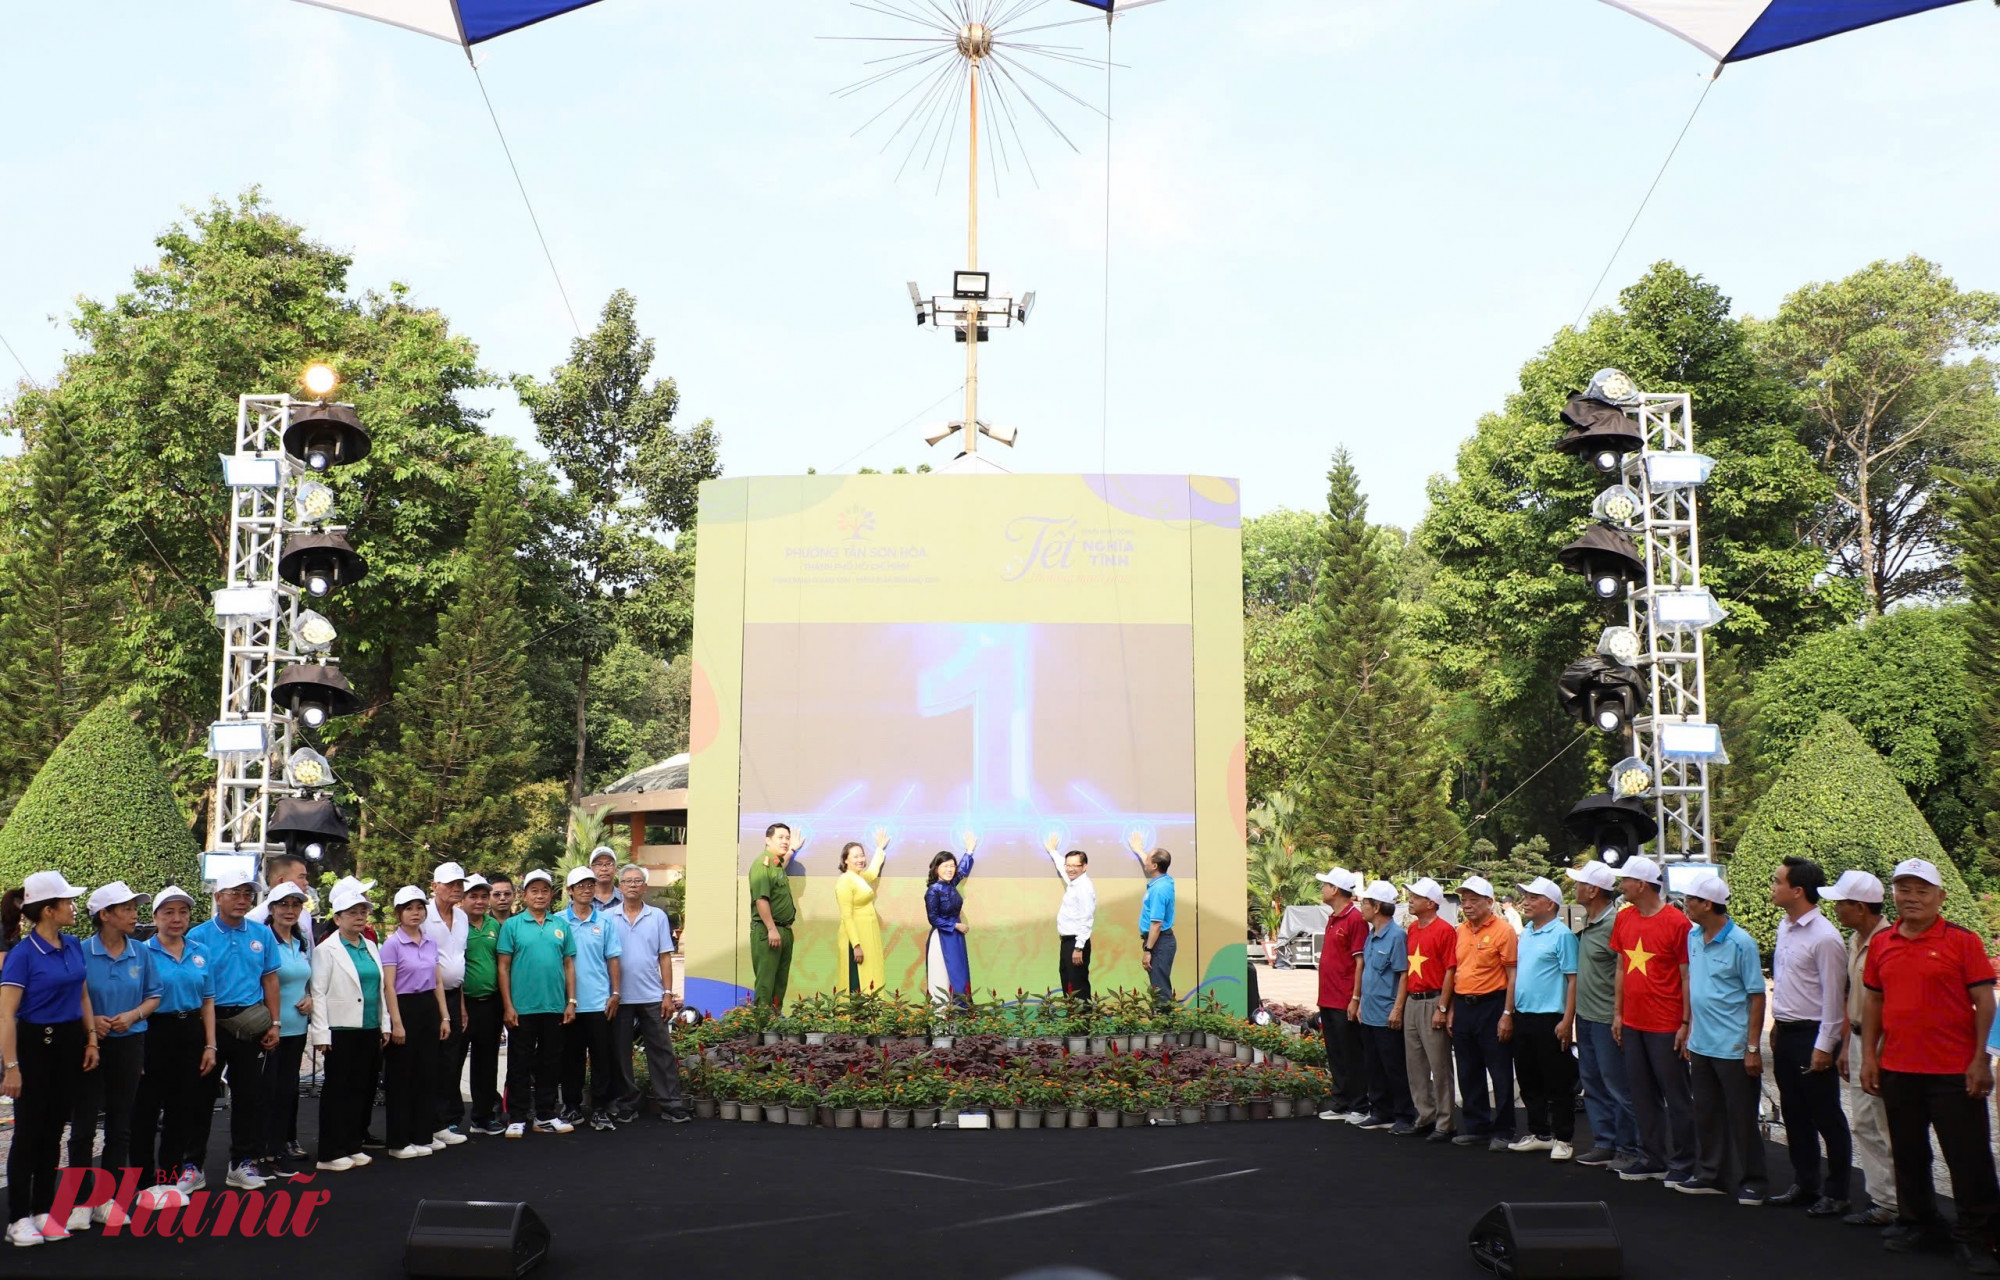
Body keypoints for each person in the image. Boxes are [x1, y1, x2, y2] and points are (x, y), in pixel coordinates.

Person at [1861, 858, 2000, 1273]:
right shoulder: (1883, 942)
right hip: (1899, 1067)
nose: (1912, 898)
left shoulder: (1963, 941)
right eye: (1904, 889)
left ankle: (1980, 1235)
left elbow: (1985, 1002)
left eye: (1922, 890)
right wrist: (1870, 1056)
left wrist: (1982, 1058)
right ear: (1893, 895)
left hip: (1954, 1070)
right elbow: (1873, 1000)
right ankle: (1920, 1223)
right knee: (1907, 1153)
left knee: (1968, 1157)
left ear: (1940, 897)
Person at [1, 873, 96, 1247]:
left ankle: (43, 1209)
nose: (74, 907)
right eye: (67, 902)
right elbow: (6, 1014)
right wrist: (11, 1066)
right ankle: (18, 1217)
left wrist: (91, 1040)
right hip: (34, 1046)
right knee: (28, 1134)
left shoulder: (72, 945)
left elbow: (83, 996)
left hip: (69, 1044)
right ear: (48, 910)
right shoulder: (23, 955)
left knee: (55, 1130)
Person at [60, 882, 161, 1230]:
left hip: (130, 1044)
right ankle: (79, 1202)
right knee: (83, 1127)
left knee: (121, 1125)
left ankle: (110, 1199)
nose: (135, 914)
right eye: (127, 908)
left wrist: (133, 1015)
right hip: (89, 1045)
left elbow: (153, 996)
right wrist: (93, 1023)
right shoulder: (78, 950)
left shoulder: (142, 952)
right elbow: (67, 996)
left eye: (135, 907)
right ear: (104, 915)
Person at [1767, 854, 1854, 1217]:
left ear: (1798, 890)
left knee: (1826, 1114)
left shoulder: (1825, 937)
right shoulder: (1785, 927)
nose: (1772, 887)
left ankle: (1837, 1191)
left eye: (1777, 881)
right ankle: (1805, 1182)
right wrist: (1776, 1029)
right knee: (1794, 1113)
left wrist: (1824, 1046)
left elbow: (1835, 998)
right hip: (1786, 1033)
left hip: (1812, 1035)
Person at [188, 867, 283, 1192]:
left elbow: (270, 980)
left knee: (249, 1099)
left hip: (250, 1024)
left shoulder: (262, 933)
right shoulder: (198, 935)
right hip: (209, 1027)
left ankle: (242, 1163)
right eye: (235, 893)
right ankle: (192, 1165)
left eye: (247, 894)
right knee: (199, 1099)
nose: (242, 900)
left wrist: (275, 1023)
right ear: (218, 897)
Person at [1678, 873, 1768, 1204]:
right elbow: (1694, 984)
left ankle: (1754, 1180)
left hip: (1733, 1046)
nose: (1686, 904)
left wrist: (1752, 1048)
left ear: (1708, 904)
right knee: (1707, 1112)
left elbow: (1757, 996)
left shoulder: (1741, 942)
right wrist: (1688, 1027)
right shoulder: (1692, 936)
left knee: (1742, 1115)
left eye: (1691, 899)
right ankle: (1711, 1174)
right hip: (1701, 1043)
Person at [1610, 855, 1694, 1185]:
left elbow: (1687, 976)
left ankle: (1685, 1161)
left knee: (1675, 1095)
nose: (1622, 885)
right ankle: (1652, 1157)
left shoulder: (1677, 923)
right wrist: (1618, 1013)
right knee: (1642, 1093)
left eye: (1626, 880)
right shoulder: (1624, 918)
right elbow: (1620, 967)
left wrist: (1685, 1023)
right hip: (1633, 1022)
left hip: (1666, 1024)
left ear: (1642, 885)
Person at [1822, 869, 1899, 1228]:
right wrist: (1845, 1044)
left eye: (1842, 902)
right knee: (1866, 1122)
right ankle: (1884, 1200)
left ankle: (1902, 1204)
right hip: (1857, 1038)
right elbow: (1853, 995)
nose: (1836, 907)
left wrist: (1872, 1051)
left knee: (1887, 1124)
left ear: (1861, 907)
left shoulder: (1889, 942)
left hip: (1882, 1042)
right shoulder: (1856, 939)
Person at [131, 886, 217, 1204]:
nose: (176, 919)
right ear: (154, 917)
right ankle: (143, 1182)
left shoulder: (200, 951)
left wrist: (210, 1045)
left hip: (189, 1031)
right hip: (152, 1032)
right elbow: (134, 999)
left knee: (181, 1112)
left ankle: (169, 1180)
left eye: (182, 912)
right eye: (168, 912)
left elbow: (208, 1001)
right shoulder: (141, 952)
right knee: (145, 1111)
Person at [306, 878, 385, 1173]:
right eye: (353, 912)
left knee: (361, 1089)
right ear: (337, 918)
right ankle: (330, 1150)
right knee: (337, 1090)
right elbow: (318, 993)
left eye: (363, 911)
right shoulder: (326, 950)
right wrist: (321, 1032)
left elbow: (380, 988)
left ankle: (352, 1143)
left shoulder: (370, 946)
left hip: (368, 1027)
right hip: (340, 1029)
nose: (360, 917)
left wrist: (385, 1025)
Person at [1566, 861, 1639, 1172]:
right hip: (1586, 1017)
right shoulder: (1591, 920)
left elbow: (1626, 973)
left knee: (1618, 1086)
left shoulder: (1616, 924)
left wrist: (1619, 1015)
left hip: (1607, 1019)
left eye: (1580, 883)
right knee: (1593, 1084)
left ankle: (1629, 1147)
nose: (1575, 887)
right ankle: (1605, 1143)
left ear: (1593, 890)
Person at [498, 869, 577, 1137]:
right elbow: (503, 967)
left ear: (552, 895)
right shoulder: (513, 925)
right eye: (534, 890)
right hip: (522, 1008)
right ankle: (517, 1116)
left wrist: (571, 1001)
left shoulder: (560, 925)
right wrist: (508, 1005)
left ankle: (545, 1115)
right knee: (519, 1063)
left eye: (545, 890)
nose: (540, 895)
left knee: (550, 1062)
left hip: (554, 1006)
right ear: (524, 895)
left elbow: (569, 965)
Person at [609, 863, 689, 1124]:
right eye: (627, 881)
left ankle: (671, 1103)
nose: (632, 885)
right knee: (620, 1054)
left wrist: (668, 993)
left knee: (661, 1051)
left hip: (653, 996)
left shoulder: (657, 916)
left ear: (645, 887)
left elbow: (665, 957)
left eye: (637, 881)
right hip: (619, 997)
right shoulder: (608, 918)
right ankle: (627, 1103)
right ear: (619, 887)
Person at [1508, 876, 1578, 1161]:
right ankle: (1539, 1132)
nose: (1526, 901)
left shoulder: (1562, 935)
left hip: (1551, 1017)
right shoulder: (1526, 931)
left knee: (1558, 1081)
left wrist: (1567, 1020)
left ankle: (1564, 1138)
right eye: (1526, 896)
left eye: (1534, 897)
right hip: (1524, 1016)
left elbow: (1573, 980)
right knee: (1528, 1078)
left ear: (1550, 904)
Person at [379, 886, 449, 1159]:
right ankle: (399, 1140)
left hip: (428, 1008)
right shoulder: (392, 944)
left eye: (419, 907)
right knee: (401, 1078)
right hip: (403, 1008)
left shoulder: (430, 941)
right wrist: (396, 1023)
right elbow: (389, 987)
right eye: (409, 908)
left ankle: (422, 1134)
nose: (415, 913)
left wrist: (444, 1016)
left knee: (426, 1074)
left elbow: (438, 981)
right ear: (399, 913)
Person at [1448, 875, 1517, 1152]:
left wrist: (1507, 1013)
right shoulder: (1460, 931)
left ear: (1490, 902)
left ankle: (1503, 1130)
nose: (1467, 905)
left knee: (1499, 1070)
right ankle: (1476, 1127)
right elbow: (1455, 972)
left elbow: (1513, 975)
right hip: (1464, 1005)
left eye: (1474, 900)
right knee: (1467, 1069)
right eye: (1464, 900)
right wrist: (1451, 1008)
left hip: (1493, 1004)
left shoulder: (1504, 931)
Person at [254, 882, 313, 1178]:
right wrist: (269, 1020)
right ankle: (263, 1153)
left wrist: (310, 997)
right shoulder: (264, 939)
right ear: (272, 908)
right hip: (270, 1029)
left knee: (287, 1092)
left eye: (296, 905)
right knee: (269, 1093)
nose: (290, 910)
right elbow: (259, 981)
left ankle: (277, 1150)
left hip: (296, 1029)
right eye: (284, 904)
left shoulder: (300, 942)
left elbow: (305, 979)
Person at [560, 866, 623, 1130]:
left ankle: (599, 1109)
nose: (586, 890)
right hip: (568, 1003)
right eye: (581, 886)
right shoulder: (557, 921)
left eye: (590, 885)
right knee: (570, 1058)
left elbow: (613, 959)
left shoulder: (605, 921)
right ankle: (572, 1107)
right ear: (570, 891)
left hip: (599, 1001)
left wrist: (615, 993)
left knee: (601, 1059)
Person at [1352, 880, 1416, 1135]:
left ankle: (1403, 1114)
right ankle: (1380, 1111)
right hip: (1369, 1011)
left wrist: (1398, 1009)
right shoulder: (1372, 935)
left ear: (1377, 907)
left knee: (1394, 1067)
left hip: (1387, 1014)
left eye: (1365, 903)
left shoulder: (1397, 936)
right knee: (1373, 1066)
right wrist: (1359, 1002)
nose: (1361, 907)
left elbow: (1404, 975)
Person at [1401, 877, 1458, 1143]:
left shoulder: (1445, 930)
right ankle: (1424, 1115)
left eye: (1416, 896)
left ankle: (1445, 1122)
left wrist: (1443, 1007)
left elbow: (1450, 970)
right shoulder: (1412, 929)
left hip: (1433, 1000)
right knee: (1415, 1065)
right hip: (1413, 1001)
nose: (1410, 900)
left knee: (1440, 1064)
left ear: (1431, 903)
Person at [1313, 867, 1368, 1122]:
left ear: (1335, 890)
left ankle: (1359, 1104)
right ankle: (1341, 1100)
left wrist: (1355, 998)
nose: (1322, 888)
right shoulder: (1334, 917)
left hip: (1345, 998)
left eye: (1325, 885)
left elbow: (1360, 962)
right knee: (1335, 1051)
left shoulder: (1355, 919)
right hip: (1328, 997)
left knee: (1351, 1053)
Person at [423, 861, 471, 1143]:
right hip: (427, 996)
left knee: (451, 1060)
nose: (456, 888)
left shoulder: (462, 917)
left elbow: (458, 962)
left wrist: (461, 1005)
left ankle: (442, 1123)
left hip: (454, 995)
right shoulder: (424, 913)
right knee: (431, 1059)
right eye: (450, 883)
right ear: (435, 886)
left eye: (459, 884)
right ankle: (427, 1122)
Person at [460, 875, 507, 1136]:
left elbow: (502, 965)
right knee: (453, 1061)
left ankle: (483, 1117)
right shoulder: (455, 926)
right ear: (463, 899)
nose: (479, 901)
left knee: (486, 1063)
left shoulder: (494, 925)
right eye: (473, 896)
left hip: (490, 1004)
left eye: (482, 896)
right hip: (462, 1004)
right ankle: (450, 1118)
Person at [748, 823, 799, 1012]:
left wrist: (793, 849)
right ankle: (762, 1028)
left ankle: (774, 1026)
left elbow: (784, 861)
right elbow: (761, 899)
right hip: (769, 931)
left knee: (780, 983)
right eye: (780, 837)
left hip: (783, 931)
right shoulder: (762, 864)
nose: (785, 841)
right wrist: (771, 928)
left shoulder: (776, 865)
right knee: (766, 983)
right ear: (768, 840)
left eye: (788, 837)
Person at [926, 833, 979, 1001]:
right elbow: (933, 918)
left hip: (955, 938)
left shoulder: (950, 885)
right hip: (942, 938)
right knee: (942, 979)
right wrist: (956, 926)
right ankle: (940, 1025)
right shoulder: (933, 890)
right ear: (936, 868)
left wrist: (969, 851)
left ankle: (958, 1022)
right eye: (945, 866)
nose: (950, 869)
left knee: (959, 977)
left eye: (952, 866)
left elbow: (962, 871)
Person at [836, 832, 890, 994]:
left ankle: (871, 1012)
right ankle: (855, 1016)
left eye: (862, 856)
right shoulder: (845, 881)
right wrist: (856, 946)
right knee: (857, 977)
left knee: (871, 974)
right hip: (855, 936)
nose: (861, 860)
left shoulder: (859, 877)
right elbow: (846, 916)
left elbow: (872, 872)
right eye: (855, 856)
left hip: (868, 933)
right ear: (845, 860)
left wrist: (879, 849)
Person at [1045, 835, 1096, 1004]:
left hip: (1076, 943)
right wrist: (1053, 851)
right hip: (1067, 942)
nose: (1070, 869)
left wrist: (1079, 947)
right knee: (1068, 983)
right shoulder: (1075, 882)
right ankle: (1074, 1023)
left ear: (1085, 866)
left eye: (1075, 866)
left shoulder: (1084, 887)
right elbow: (1062, 867)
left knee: (1078, 986)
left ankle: (1083, 1025)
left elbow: (1086, 918)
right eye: (1069, 865)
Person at [1134, 835, 1176, 1009]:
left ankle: (1167, 1029)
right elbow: (1149, 860)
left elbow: (1156, 924)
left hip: (1159, 943)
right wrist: (1138, 849)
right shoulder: (1164, 880)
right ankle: (1165, 1027)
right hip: (1161, 942)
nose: (1145, 862)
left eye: (1148, 860)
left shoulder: (1159, 889)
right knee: (1158, 986)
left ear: (1155, 866)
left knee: (1160, 990)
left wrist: (1148, 950)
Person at [247, 853, 316, 949]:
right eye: (301, 877)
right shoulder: (254, 919)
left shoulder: (305, 915)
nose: (306, 882)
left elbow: (309, 955)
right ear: (281, 881)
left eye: (295, 905)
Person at [587, 846, 621, 915]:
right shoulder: (580, 898)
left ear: (616, 869)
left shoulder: (625, 898)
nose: (604, 869)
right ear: (590, 869)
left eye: (609, 864)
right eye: (598, 864)